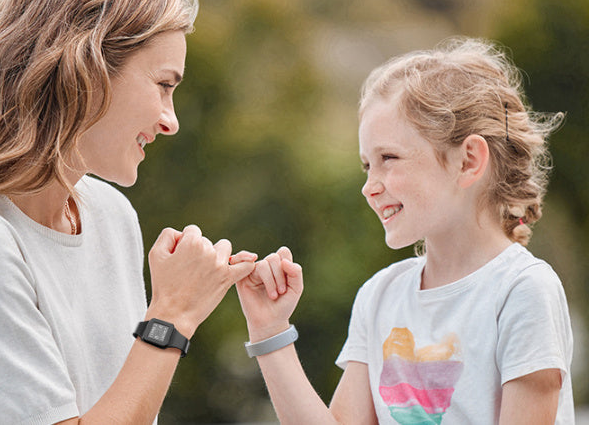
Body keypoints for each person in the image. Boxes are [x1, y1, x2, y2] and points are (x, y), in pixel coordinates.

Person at [0, 0, 257, 424]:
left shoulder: (110, 215)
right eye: (164, 85)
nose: (171, 121)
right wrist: (171, 317)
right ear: (87, 71)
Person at [235, 38, 574, 424]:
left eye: (388, 159)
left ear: (468, 161)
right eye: (367, 166)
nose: (369, 185)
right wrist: (270, 330)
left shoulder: (522, 292)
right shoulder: (380, 297)